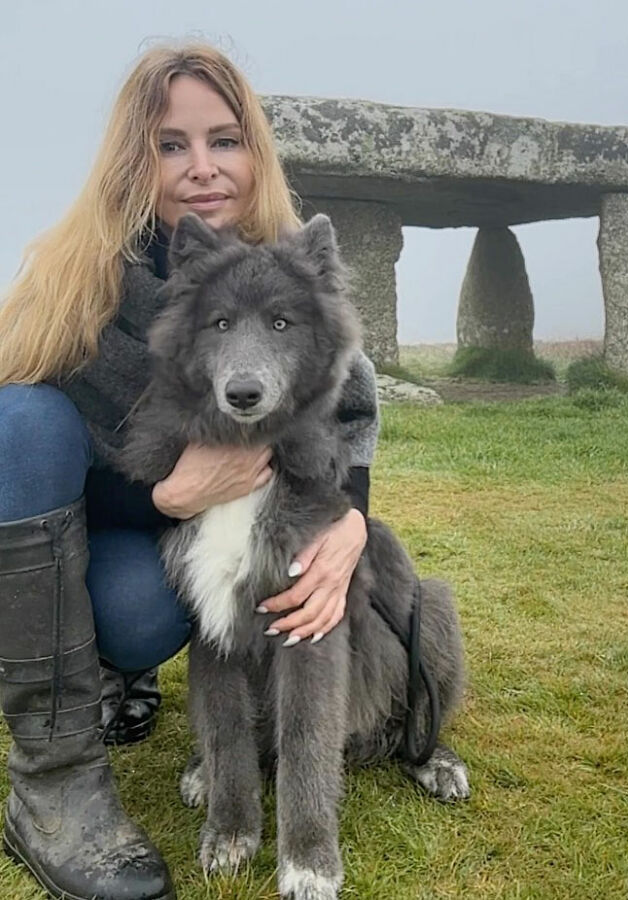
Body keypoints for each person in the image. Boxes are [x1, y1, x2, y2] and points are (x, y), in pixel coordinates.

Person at [0, 42, 378, 900]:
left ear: (256, 151)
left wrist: (350, 519)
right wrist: (163, 491)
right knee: (19, 413)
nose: (202, 168)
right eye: (172, 144)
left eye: (225, 139)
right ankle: (52, 777)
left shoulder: (283, 261)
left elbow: (350, 410)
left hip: (183, 552)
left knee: (142, 617)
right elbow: (18, 449)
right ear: (136, 157)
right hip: (98, 524)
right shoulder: (78, 274)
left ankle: (119, 665)